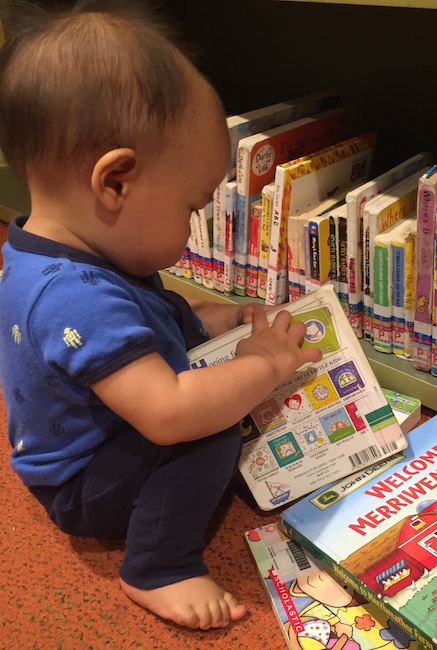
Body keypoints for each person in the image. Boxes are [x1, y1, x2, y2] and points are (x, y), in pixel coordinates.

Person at [0, 0, 322, 631]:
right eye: (192, 207)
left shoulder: (62, 247)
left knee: (169, 315)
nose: (195, 225)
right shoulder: (75, 298)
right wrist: (261, 364)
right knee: (209, 429)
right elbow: (169, 412)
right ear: (115, 182)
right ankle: (158, 565)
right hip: (81, 483)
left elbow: (146, 309)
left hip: (81, 436)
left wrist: (213, 315)